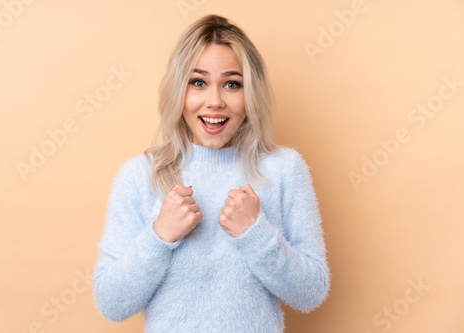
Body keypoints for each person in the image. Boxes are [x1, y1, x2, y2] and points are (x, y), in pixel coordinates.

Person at [92, 14, 330, 333]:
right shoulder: (139, 175)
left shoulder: (284, 169)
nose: (215, 101)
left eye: (232, 84)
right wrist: (159, 236)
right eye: (198, 82)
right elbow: (111, 304)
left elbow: (310, 294)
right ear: (179, 89)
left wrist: (255, 232)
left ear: (250, 93)